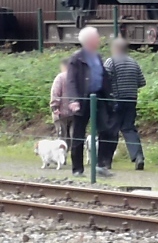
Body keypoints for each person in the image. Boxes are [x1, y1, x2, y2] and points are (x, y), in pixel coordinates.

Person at [64, 27, 114, 177]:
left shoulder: (98, 57)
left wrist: (110, 97)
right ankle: (77, 169)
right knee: (79, 134)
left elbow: (104, 78)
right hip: (82, 98)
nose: (99, 39)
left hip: (99, 98)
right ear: (89, 41)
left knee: (106, 130)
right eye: (97, 37)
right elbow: (71, 81)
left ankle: (101, 165)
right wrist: (73, 100)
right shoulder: (76, 58)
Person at [103, 38, 146, 171]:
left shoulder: (111, 62)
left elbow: (104, 80)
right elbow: (142, 82)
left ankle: (106, 161)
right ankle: (138, 156)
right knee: (129, 128)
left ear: (114, 49)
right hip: (131, 100)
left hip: (115, 100)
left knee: (112, 130)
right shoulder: (133, 62)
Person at [49, 58, 73, 141]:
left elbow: (55, 93)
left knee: (62, 137)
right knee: (74, 137)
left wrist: (54, 108)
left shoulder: (60, 77)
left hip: (61, 113)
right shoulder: (77, 77)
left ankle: (63, 153)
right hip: (75, 112)